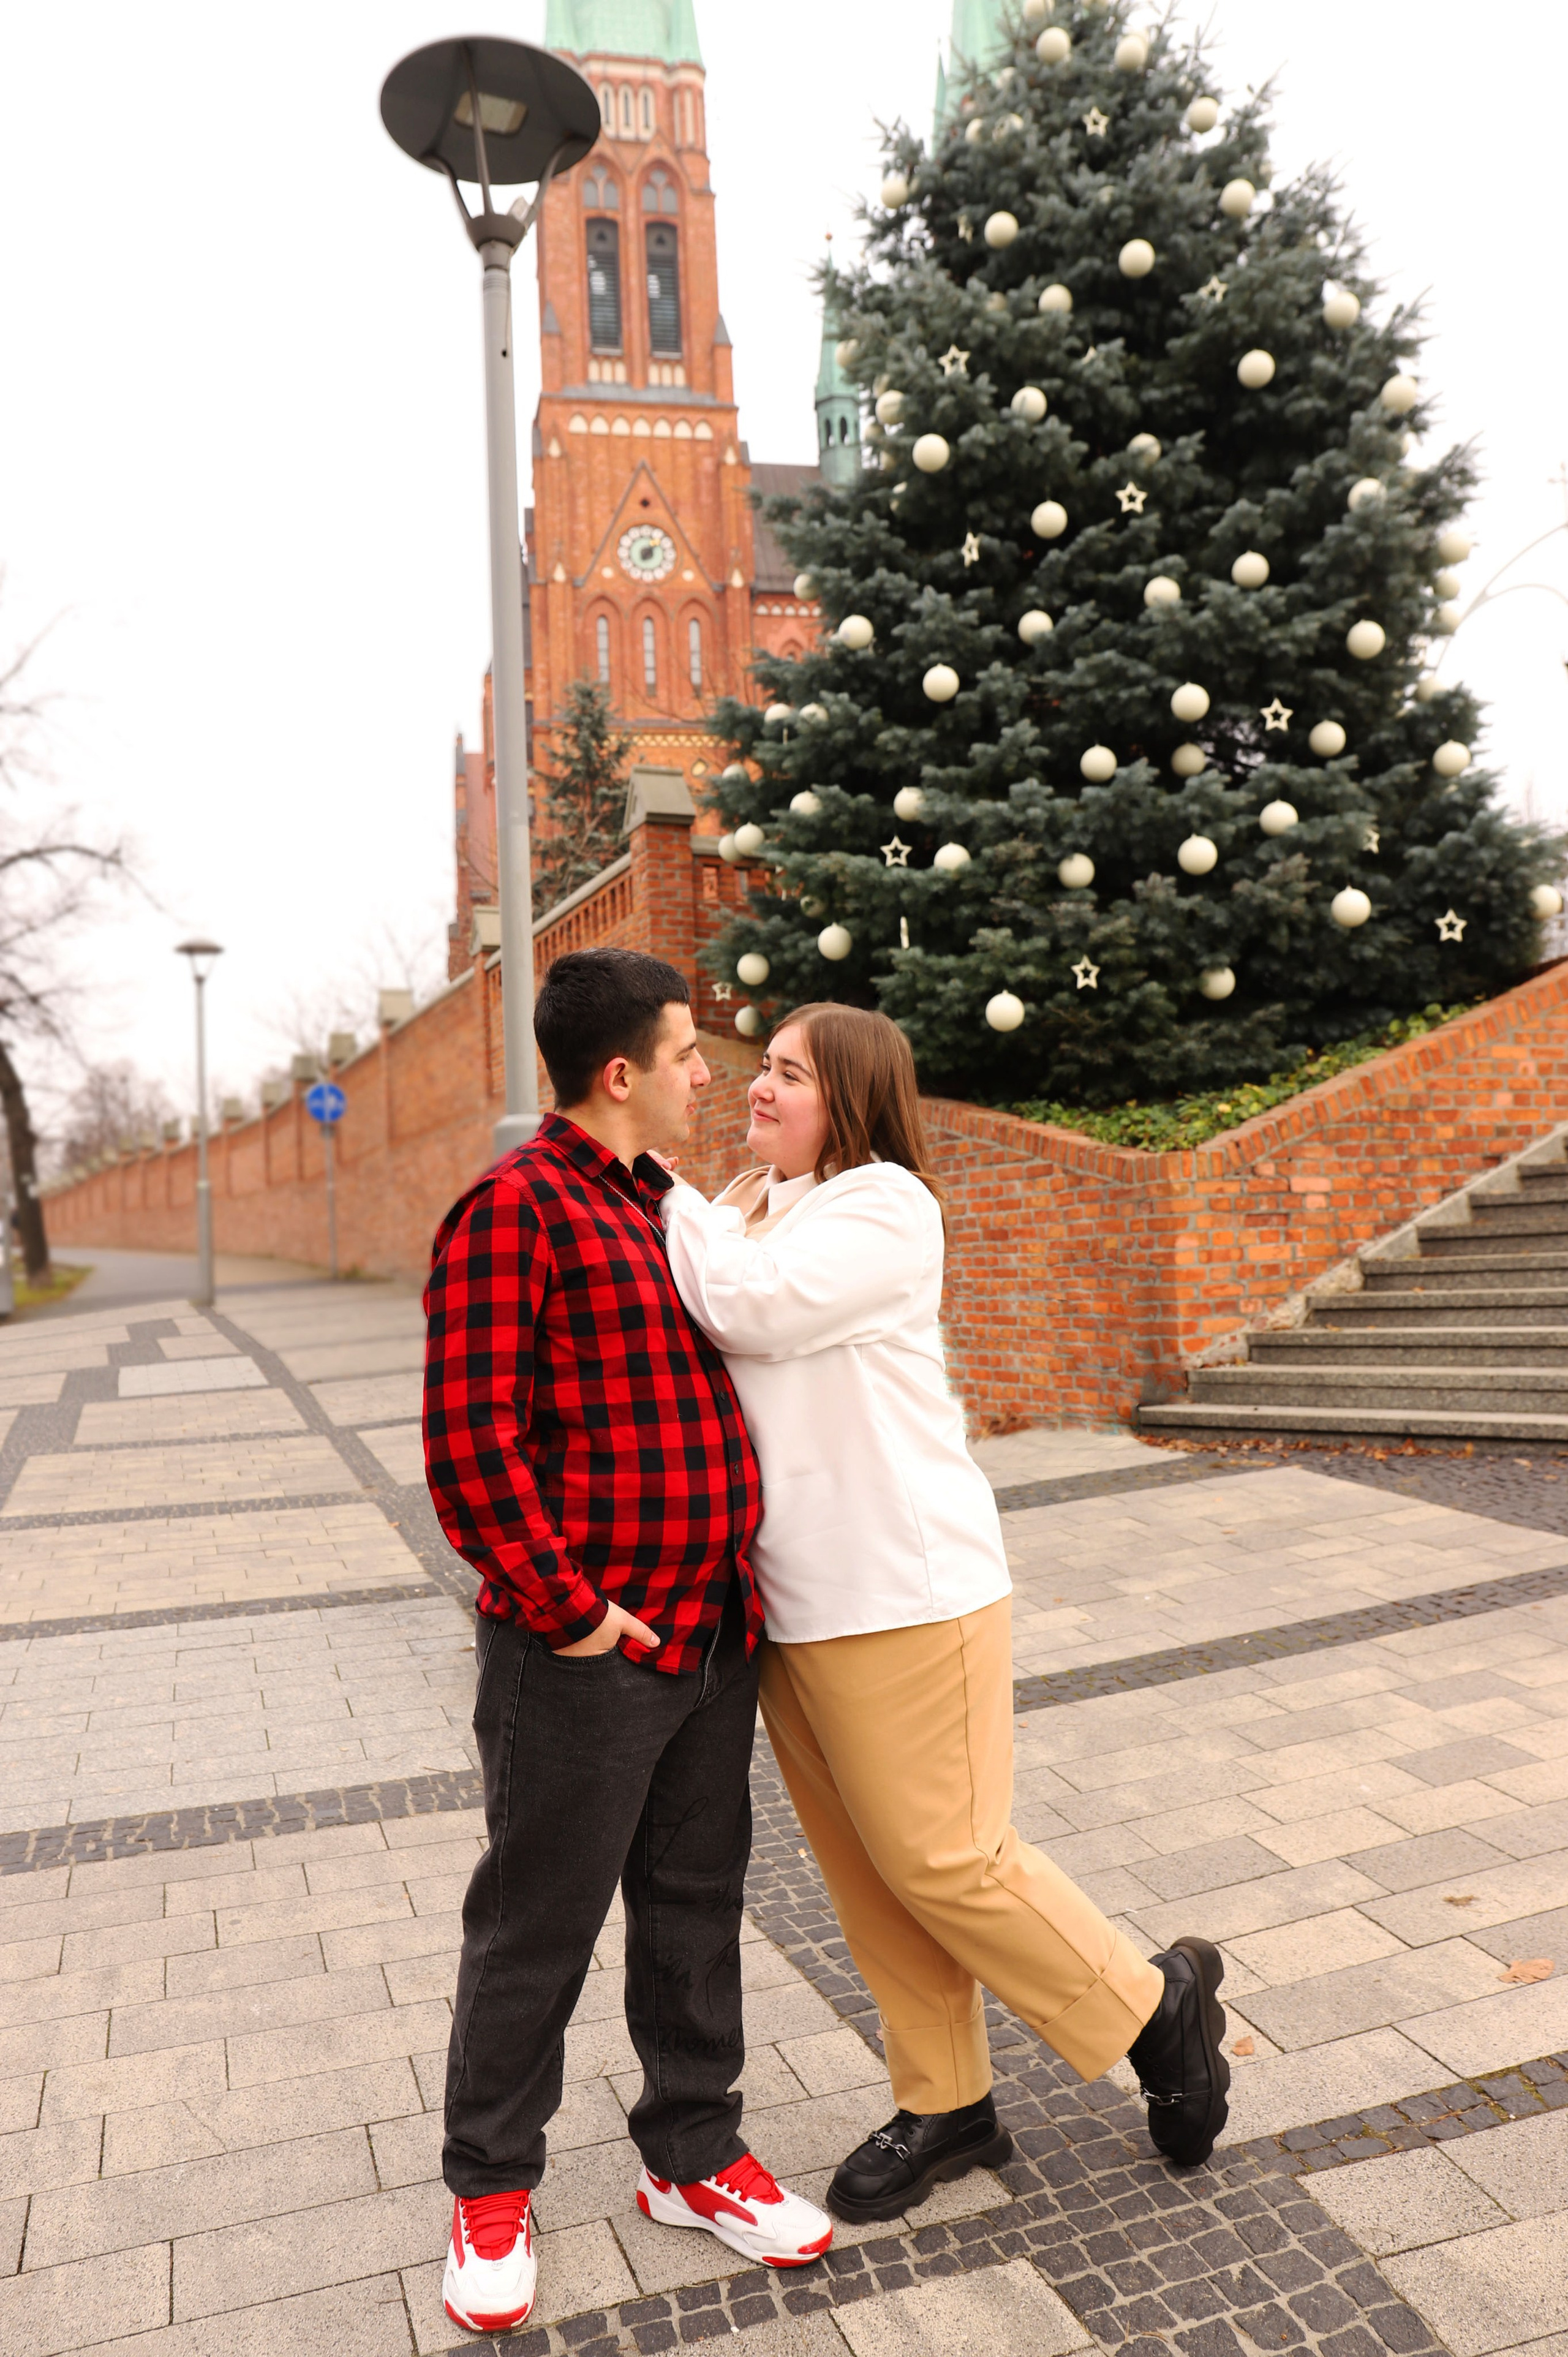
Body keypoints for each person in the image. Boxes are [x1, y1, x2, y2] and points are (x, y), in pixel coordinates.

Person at [659, 1001, 1229, 2224]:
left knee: (946, 1858)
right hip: (790, 1601)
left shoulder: (881, 1207)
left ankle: (1151, 2003)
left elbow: (746, 1308)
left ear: (852, 1099)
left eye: (789, 1076)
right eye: (759, 1069)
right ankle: (946, 2103)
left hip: (906, 1591)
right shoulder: (750, 1207)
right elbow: (725, 1282)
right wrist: (699, 1208)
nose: (758, 1091)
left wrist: (661, 1197)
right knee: (870, 1880)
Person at [423, 948, 832, 2338]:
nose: (708, 1074)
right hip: (587, 1653)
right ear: (621, 1074)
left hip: (713, 1634)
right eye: (686, 1052)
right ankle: (489, 2183)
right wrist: (569, 1608)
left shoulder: (667, 1206)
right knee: (537, 1920)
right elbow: (469, 1450)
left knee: (693, 1900)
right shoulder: (513, 1211)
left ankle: (693, 2154)